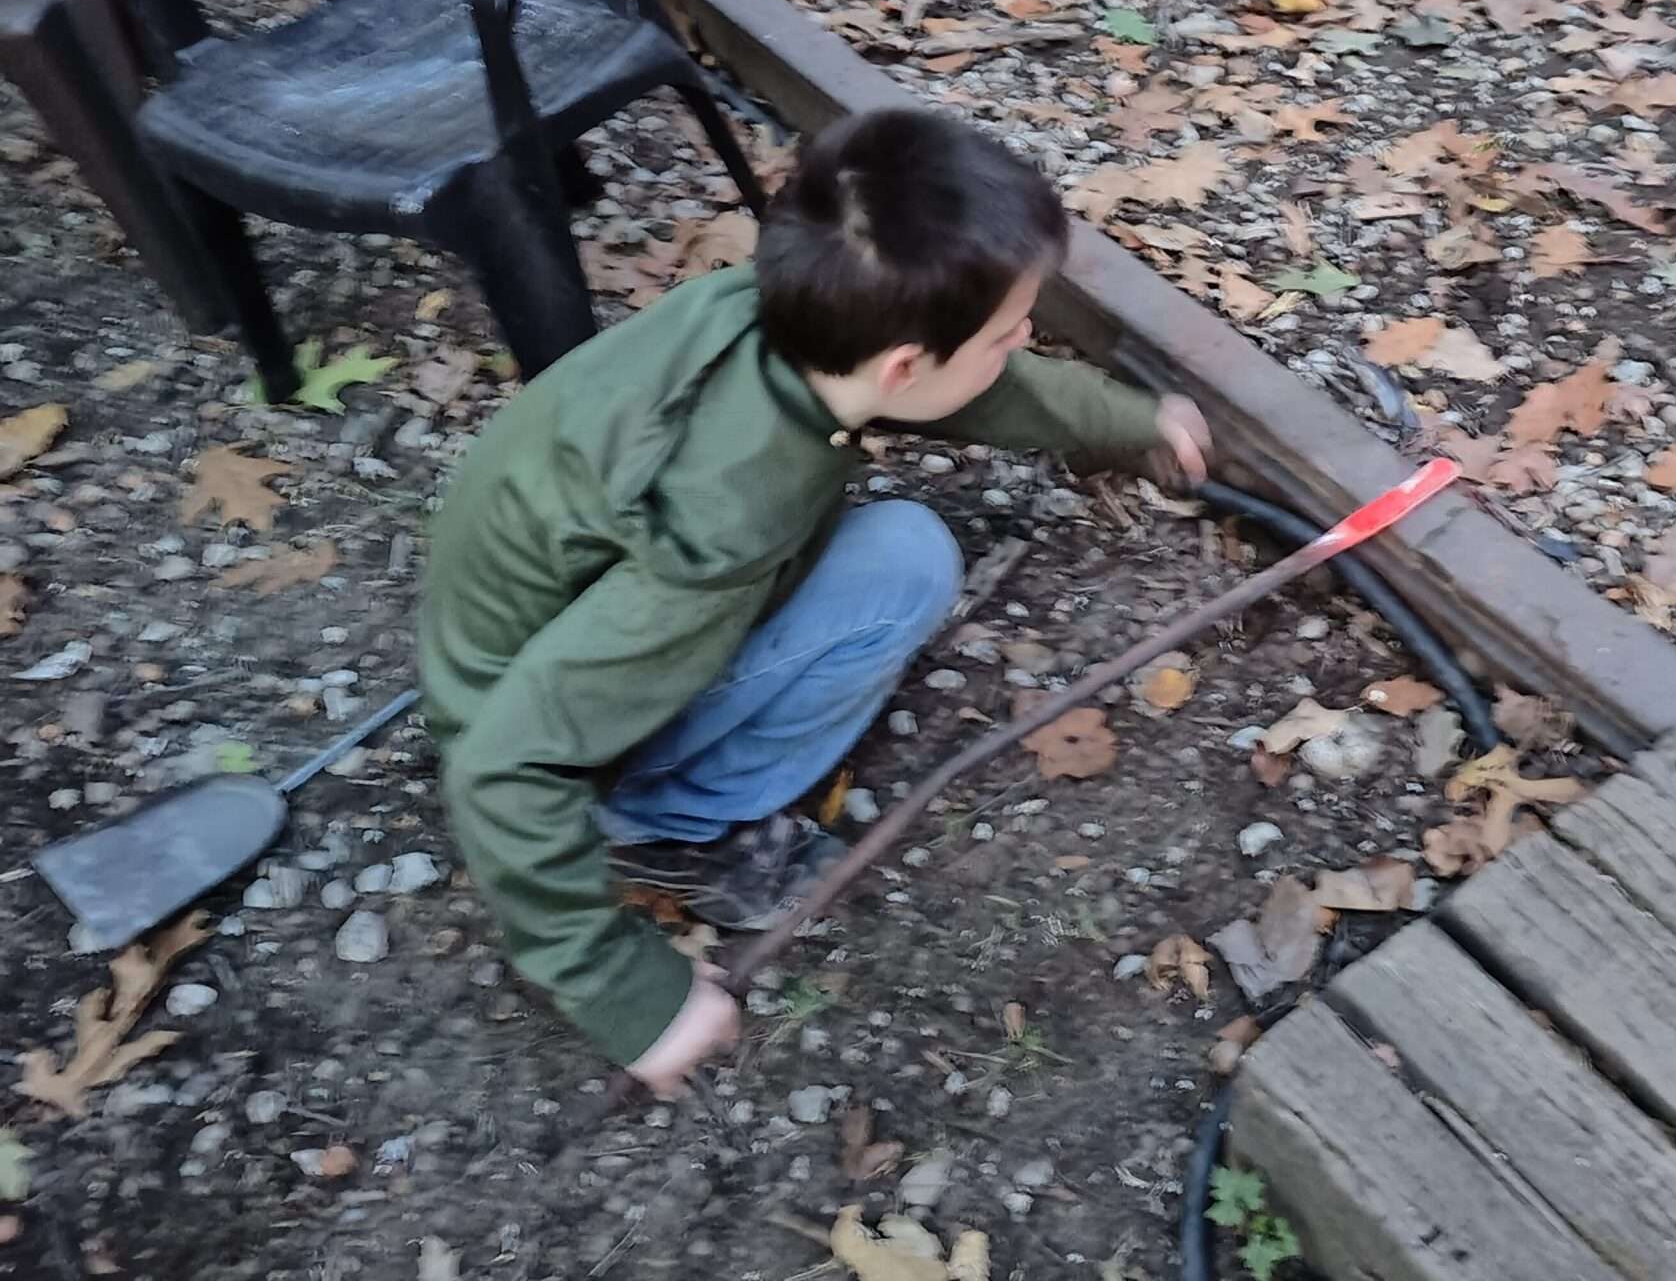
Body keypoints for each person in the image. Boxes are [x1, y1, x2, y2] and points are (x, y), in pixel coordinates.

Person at [418, 109, 1213, 1096]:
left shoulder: (781, 319)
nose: (1021, 343)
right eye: (1008, 335)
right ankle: (663, 823)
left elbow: (968, 388)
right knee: (906, 567)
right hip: (542, 729)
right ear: (902, 367)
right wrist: (628, 994)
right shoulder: (716, 526)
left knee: (899, 545)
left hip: (543, 641)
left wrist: (1124, 420)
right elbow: (504, 763)